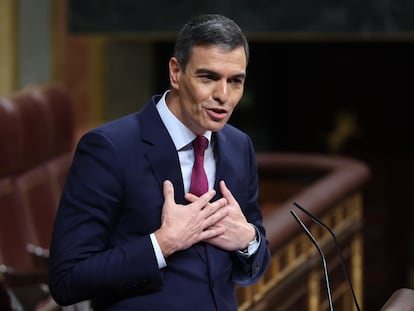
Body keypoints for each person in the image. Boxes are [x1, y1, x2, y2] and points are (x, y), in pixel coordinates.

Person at [48, 13, 271, 311]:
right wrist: (162, 243)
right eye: (208, 77)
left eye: (235, 82)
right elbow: (67, 280)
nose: (223, 95)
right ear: (176, 72)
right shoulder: (110, 148)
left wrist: (247, 239)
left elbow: (251, 263)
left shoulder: (238, 145)